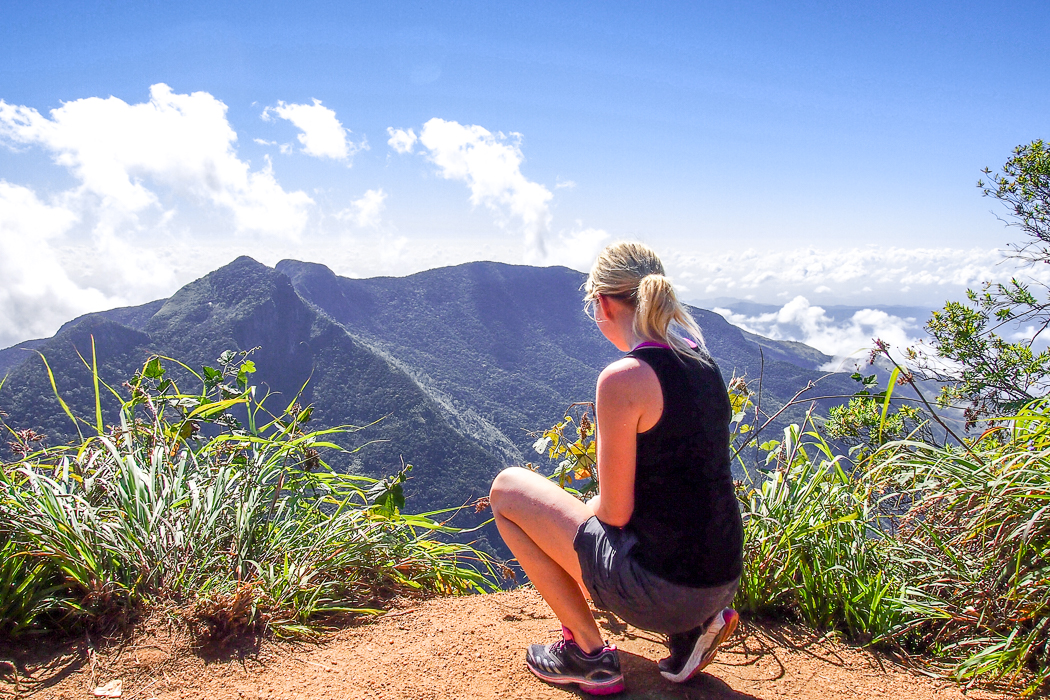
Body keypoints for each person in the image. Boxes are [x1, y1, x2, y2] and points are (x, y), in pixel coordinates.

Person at [488, 241, 744, 695]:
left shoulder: (624, 379)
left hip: (663, 591)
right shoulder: (702, 362)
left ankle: (586, 656)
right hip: (721, 579)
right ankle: (691, 634)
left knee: (508, 489)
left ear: (603, 302)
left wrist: (582, 509)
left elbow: (615, 514)